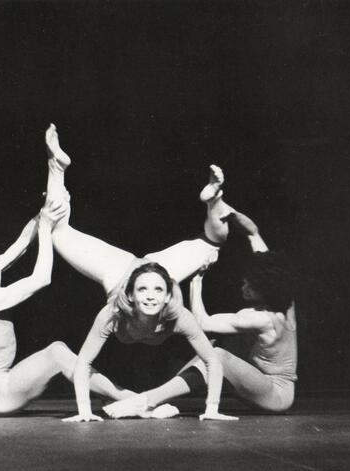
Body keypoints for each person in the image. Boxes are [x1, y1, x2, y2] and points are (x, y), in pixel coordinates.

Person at [43, 124, 261, 422]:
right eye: (143, 293)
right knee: (55, 232)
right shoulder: (113, 312)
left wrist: (212, 410)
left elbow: (212, 359)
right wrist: (84, 412)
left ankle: (213, 200)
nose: (150, 298)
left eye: (158, 292)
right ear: (131, 296)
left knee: (214, 242)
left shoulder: (178, 314)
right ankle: (57, 166)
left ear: (169, 293)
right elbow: (83, 363)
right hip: (119, 272)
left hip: (160, 269)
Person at [0, 129, 133, 416]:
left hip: (6, 382)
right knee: (56, 352)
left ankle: (56, 167)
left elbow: (18, 246)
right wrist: (44, 227)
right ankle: (128, 397)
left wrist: (45, 211)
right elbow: (41, 279)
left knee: (58, 354)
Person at [103, 237, 297, 418]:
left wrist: (197, 279)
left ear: (265, 288)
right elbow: (266, 262)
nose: (243, 285)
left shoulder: (260, 318)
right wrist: (250, 232)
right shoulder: (287, 306)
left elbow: (202, 322)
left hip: (276, 395)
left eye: (250, 285)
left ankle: (146, 400)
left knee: (218, 356)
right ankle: (156, 400)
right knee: (209, 348)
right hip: (257, 384)